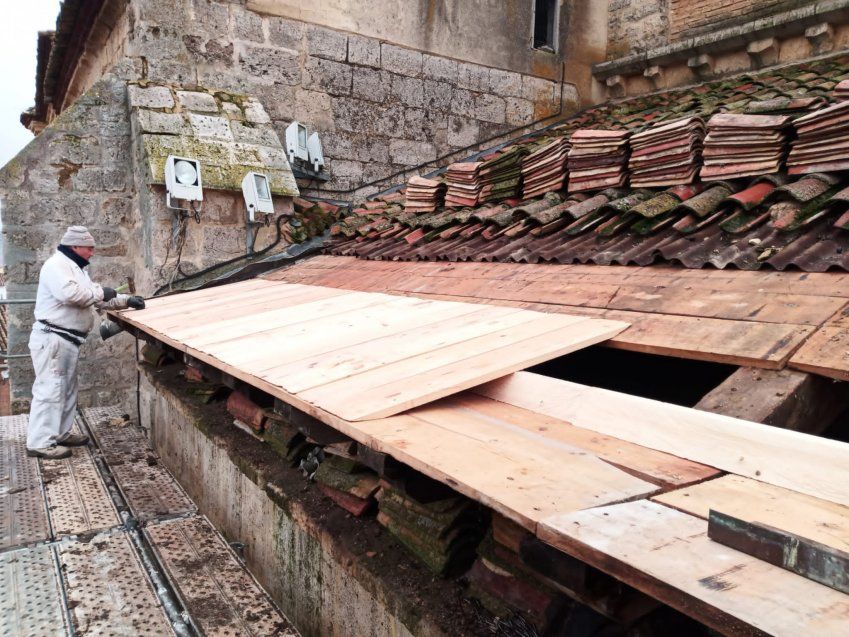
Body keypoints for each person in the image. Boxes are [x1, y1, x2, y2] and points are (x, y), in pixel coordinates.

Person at [26, 226, 146, 459]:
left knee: (66, 389)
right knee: (50, 389)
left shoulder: (77, 269)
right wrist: (104, 293)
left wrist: (127, 300)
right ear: (74, 246)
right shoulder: (56, 266)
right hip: (53, 338)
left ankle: (60, 434)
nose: (92, 252)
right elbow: (73, 296)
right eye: (89, 248)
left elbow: (95, 296)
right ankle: (39, 442)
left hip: (66, 340)